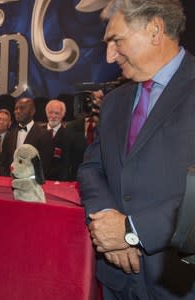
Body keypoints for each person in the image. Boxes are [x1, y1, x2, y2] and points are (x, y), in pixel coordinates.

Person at [77, 0, 195, 298]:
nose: (109, 54)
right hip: (118, 280)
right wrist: (107, 223)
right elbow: (92, 167)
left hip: (181, 282)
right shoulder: (115, 101)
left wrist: (132, 231)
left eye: (116, 40)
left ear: (155, 31)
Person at [0, 97, 53, 177]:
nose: (18, 111)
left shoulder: (44, 134)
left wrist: (30, 180)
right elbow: (2, 161)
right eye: (16, 109)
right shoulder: (10, 134)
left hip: (32, 184)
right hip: (10, 182)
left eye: (22, 108)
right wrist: (7, 178)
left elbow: (44, 164)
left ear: (32, 111)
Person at [44, 99, 69, 181]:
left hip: (58, 183)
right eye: (50, 112)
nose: (53, 116)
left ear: (63, 115)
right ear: (46, 113)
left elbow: (66, 165)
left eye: (57, 113)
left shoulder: (69, 136)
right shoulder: (37, 133)